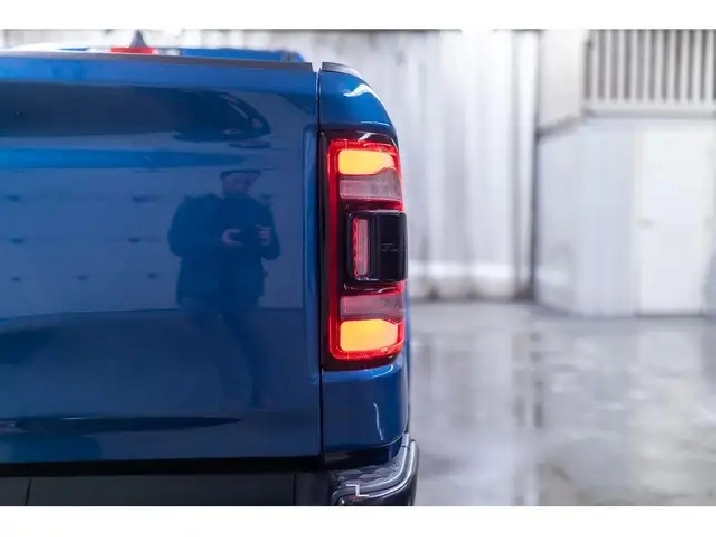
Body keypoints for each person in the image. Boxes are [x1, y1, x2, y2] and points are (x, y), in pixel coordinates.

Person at [168, 170, 280, 408]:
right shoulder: (193, 207)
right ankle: (234, 394)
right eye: (237, 180)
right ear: (222, 177)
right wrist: (218, 242)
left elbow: (273, 252)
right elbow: (177, 243)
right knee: (218, 342)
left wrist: (267, 240)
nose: (242, 186)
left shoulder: (257, 209)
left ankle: (260, 393)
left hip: (242, 287)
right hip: (200, 286)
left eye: (247, 182)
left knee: (251, 340)